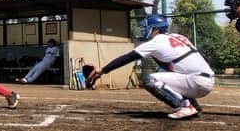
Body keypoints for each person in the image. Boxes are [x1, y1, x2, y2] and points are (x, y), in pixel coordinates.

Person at [86, 14, 214, 119]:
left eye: (147, 28)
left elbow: (126, 58)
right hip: (207, 80)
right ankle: (193, 105)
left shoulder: (156, 42)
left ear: (156, 30)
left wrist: (102, 71)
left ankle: (185, 106)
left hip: (196, 82)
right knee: (169, 70)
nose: (143, 30)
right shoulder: (178, 37)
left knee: (149, 80)